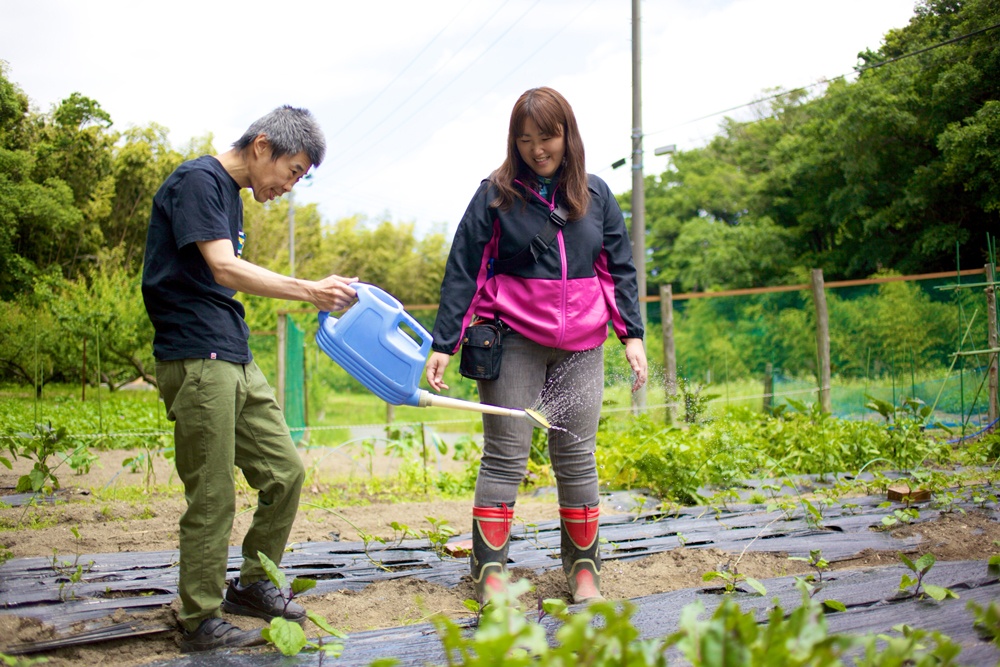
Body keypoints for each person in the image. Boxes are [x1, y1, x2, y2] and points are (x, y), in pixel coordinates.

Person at [141, 106, 358, 652]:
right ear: (263, 146)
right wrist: (310, 289)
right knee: (213, 494)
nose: (290, 185)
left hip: (232, 351)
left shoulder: (228, 195)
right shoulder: (198, 180)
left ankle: (255, 584)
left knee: (285, 471)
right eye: (293, 171)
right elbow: (224, 268)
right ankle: (198, 617)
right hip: (196, 355)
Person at [425, 87, 648, 604]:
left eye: (546, 137)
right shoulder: (495, 194)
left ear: (567, 135)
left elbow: (618, 270)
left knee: (576, 456)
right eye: (525, 141)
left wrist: (631, 335)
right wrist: (445, 341)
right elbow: (464, 266)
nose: (537, 150)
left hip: (582, 348)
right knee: (505, 456)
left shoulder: (596, 196)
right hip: (514, 341)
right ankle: (491, 576)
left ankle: (584, 572)